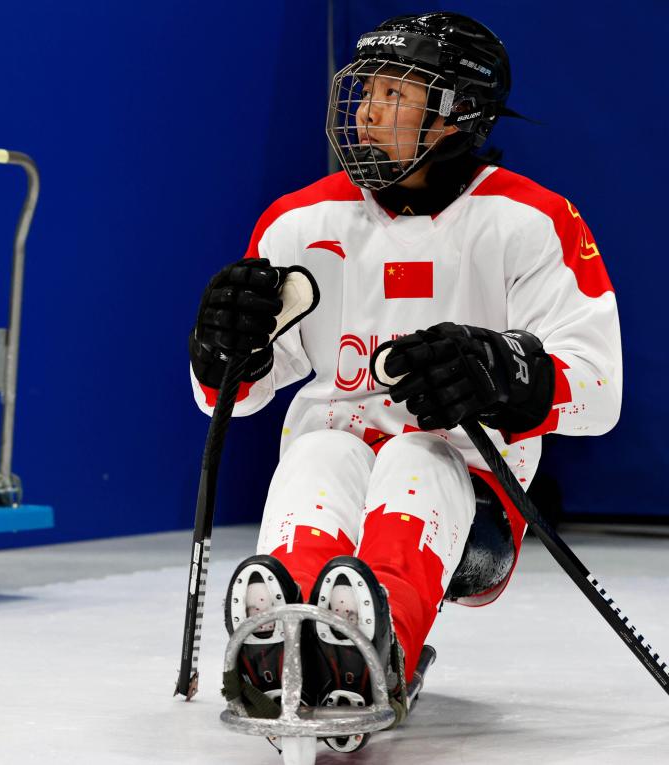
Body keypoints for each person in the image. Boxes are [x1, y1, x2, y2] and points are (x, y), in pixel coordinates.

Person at [189, 11, 621, 745]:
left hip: (474, 494)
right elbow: (236, 396)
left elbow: (599, 388)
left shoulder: (531, 219)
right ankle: (283, 632)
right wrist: (222, 350)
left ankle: (369, 646)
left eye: (396, 91)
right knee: (320, 449)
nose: (368, 108)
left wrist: (502, 369)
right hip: (340, 463)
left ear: (459, 112)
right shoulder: (297, 222)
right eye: (367, 90)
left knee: (415, 455)